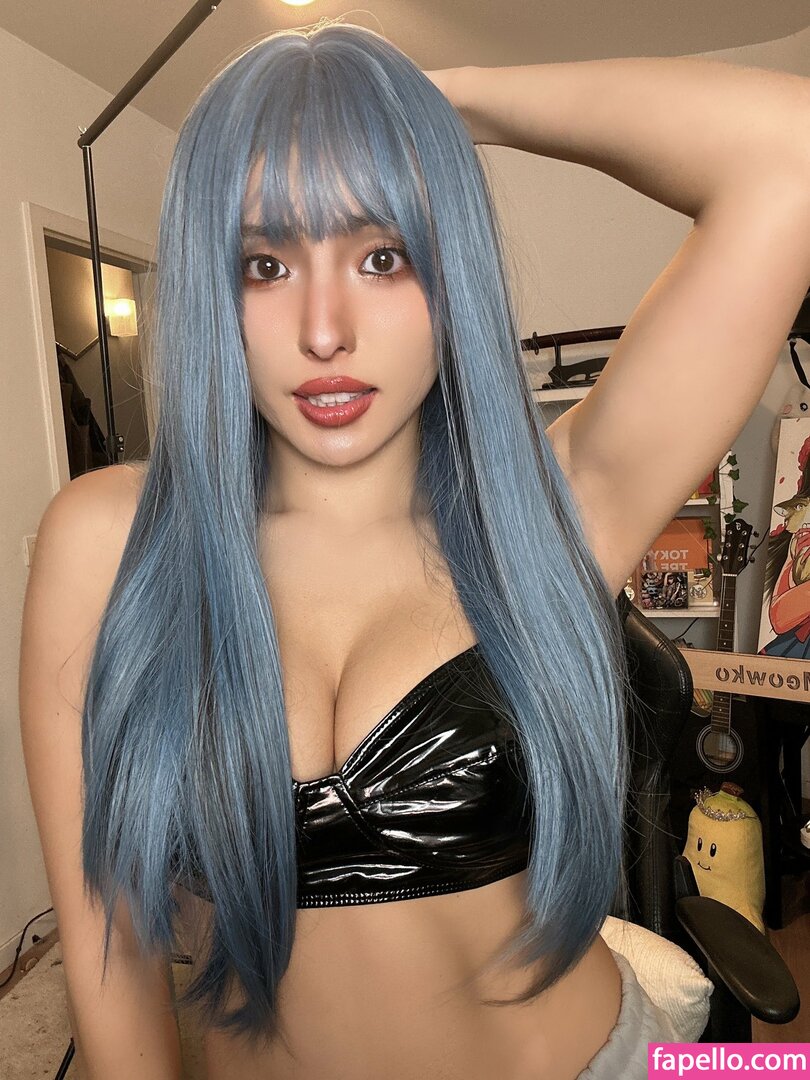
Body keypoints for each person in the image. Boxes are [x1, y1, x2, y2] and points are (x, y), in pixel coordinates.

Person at [19, 18, 810, 1080]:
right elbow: (109, 954)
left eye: (382, 255)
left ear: (450, 272)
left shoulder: (546, 511)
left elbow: (791, 150)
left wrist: (441, 103)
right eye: (266, 263)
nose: (326, 329)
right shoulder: (111, 546)